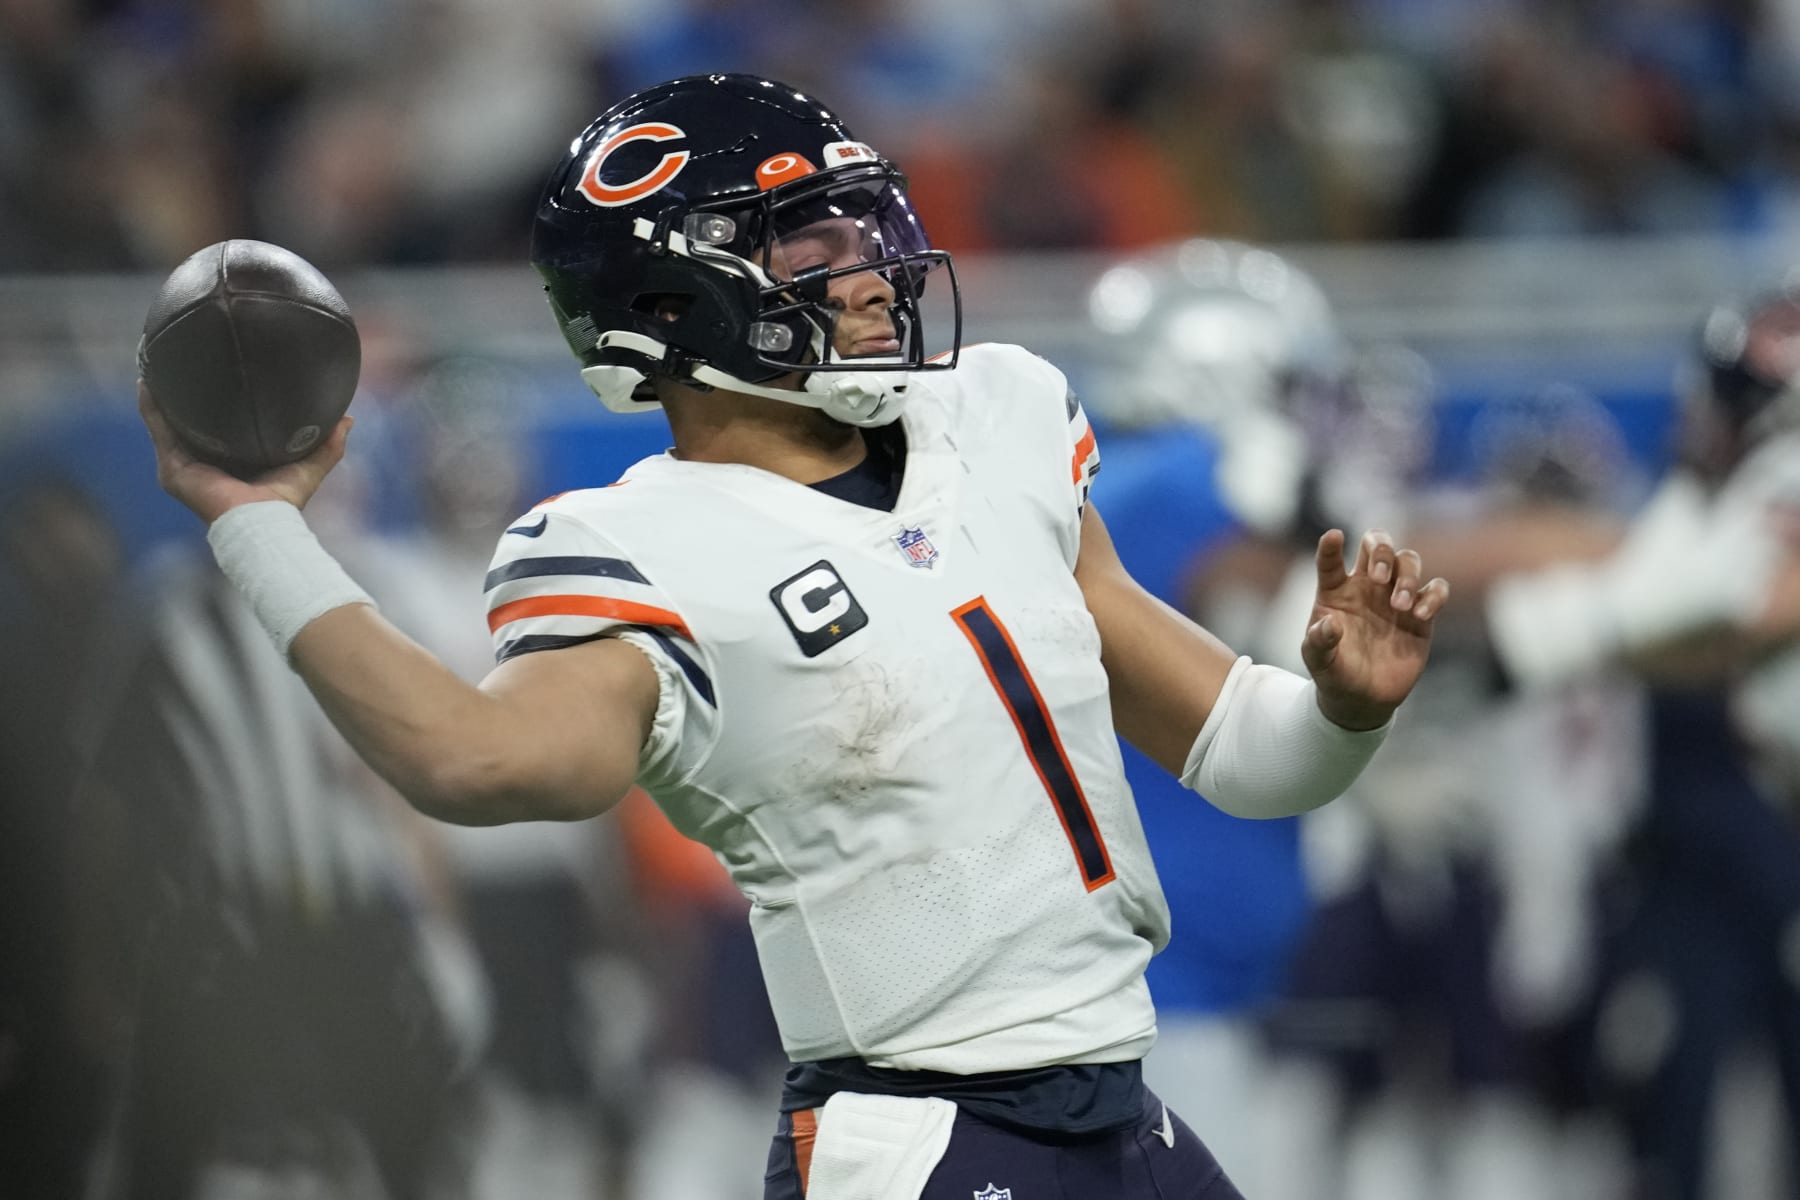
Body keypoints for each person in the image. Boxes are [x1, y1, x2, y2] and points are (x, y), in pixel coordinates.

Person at [138, 73, 1449, 1199]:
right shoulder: (642, 546)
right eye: (810, 248)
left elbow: (1247, 755)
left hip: (1124, 1111)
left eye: (868, 229)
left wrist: (1342, 710)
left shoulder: (995, 422)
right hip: (925, 1137)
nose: (874, 270)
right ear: (671, 298)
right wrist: (259, 527)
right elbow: (476, 761)